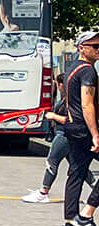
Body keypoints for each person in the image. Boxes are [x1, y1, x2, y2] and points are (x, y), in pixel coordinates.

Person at [60, 28, 99, 226]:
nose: (98, 50)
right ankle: (86, 215)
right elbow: (87, 104)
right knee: (77, 171)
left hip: (72, 127)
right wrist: (95, 134)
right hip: (84, 129)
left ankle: (70, 221)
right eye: (95, 46)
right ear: (82, 48)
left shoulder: (72, 68)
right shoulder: (87, 71)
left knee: (76, 172)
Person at [21, 76, 74, 204]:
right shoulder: (65, 98)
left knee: (52, 162)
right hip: (63, 134)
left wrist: (53, 116)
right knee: (77, 165)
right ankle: (94, 187)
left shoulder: (70, 101)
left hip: (64, 134)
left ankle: (43, 193)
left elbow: (71, 120)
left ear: (61, 85)